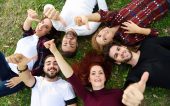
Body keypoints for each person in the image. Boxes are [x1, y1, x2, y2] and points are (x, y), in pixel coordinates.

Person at [43, 39, 149, 106]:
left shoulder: (117, 93)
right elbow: (70, 76)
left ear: (105, 77)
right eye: (93, 73)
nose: (97, 75)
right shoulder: (86, 96)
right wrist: (55, 52)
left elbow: (130, 101)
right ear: (89, 79)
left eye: (100, 73)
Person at [0, 9, 59, 97]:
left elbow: (40, 68)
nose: (41, 26)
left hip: (19, 76)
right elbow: (26, 28)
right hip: (6, 65)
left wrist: (20, 78)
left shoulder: (43, 43)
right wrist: (29, 18)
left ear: (49, 32)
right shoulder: (30, 35)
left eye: (46, 27)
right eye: (42, 22)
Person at [75, 0, 169, 52]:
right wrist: (139, 30)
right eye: (104, 39)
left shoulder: (111, 20)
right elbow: (155, 33)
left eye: (99, 35)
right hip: (162, 4)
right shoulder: (127, 39)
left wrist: (87, 17)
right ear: (110, 41)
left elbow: (102, 15)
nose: (103, 35)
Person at [44, 0, 108, 57]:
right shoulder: (87, 30)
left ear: (62, 40)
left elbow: (47, 5)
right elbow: (104, 14)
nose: (69, 40)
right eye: (72, 44)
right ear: (77, 44)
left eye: (65, 43)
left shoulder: (58, 26)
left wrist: (50, 11)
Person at [7, 54, 77, 106]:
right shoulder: (37, 81)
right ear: (43, 68)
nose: (52, 66)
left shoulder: (65, 86)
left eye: (55, 64)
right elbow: (27, 79)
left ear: (60, 68)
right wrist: (22, 65)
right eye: (48, 63)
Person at [104, 36, 170, 89]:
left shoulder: (148, 43)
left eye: (118, 49)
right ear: (117, 62)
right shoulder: (134, 76)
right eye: (116, 55)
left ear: (123, 46)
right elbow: (131, 89)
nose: (121, 53)